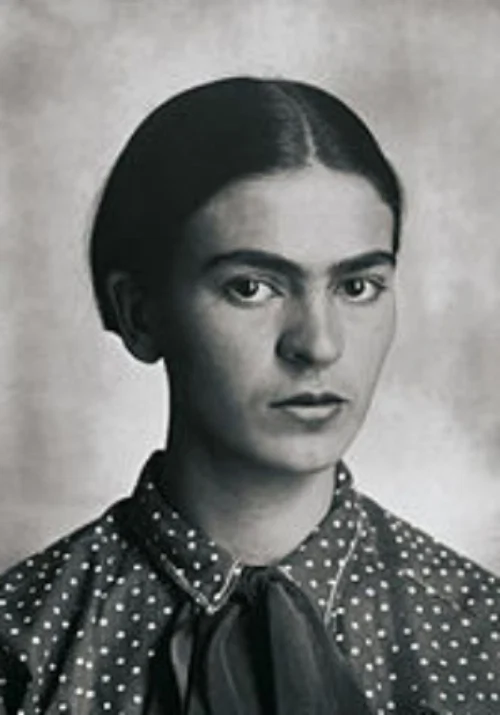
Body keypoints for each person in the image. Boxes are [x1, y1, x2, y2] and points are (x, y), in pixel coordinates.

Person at [0, 76, 498, 715]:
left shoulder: (482, 638)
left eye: (356, 286)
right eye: (251, 288)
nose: (318, 344)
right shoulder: (20, 648)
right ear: (140, 315)